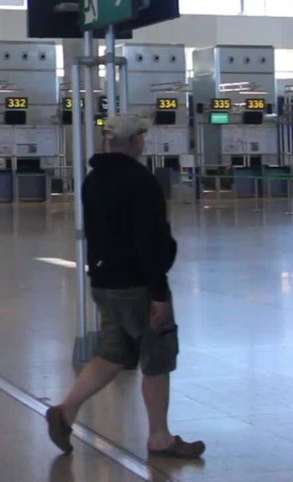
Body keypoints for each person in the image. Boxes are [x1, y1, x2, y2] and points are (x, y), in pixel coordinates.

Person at [46, 114, 204, 459]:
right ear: (134, 142)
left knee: (113, 354)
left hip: (104, 282)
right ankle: (160, 438)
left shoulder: (94, 179)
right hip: (137, 285)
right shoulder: (140, 181)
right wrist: (159, 293)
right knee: (157, 357)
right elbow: (150, 241)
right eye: (141, 138)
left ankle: (65, 411)